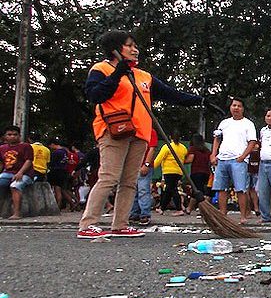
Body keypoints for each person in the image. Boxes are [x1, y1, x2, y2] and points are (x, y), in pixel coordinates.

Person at [78, 30, 202, 239]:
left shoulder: (143, 76)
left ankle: (120, 224)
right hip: (113, 130)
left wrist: (200, 100)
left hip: (140, 133)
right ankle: (88, 224)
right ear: (115, 49)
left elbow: (171, 94)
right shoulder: (101, 69)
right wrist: (119, 73)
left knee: (129, 181)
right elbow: (95, 95)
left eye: (135, 46)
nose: (135, 49)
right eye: (129, 45)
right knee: (108, 177)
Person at [211, 97, 258, 224]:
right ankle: (222, 215)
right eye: (234, 105)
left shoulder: (248, 124)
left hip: (238, 160)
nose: (236, 108)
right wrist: (213, 154)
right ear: (230, 107)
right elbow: (217, 138)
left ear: (243, 109)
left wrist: (243, 156)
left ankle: (243, 216)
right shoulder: (224, 123)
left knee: (241, 189)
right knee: (221, 188)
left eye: (239, 106)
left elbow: (252, 141)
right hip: (222, 159)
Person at [0, 125, 35, 219]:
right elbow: (1, 163)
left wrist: (20, 172)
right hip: (7, 173)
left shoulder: (26, 146)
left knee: (15, 186)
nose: (12, 136)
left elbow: (29, 161)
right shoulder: (2, 148)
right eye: (9, 134)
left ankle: (17, 213)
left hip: (26, 174)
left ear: (19, 136)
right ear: (5, 136)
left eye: (15, 134)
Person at [153, 132, 188, 216]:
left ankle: (179, 209)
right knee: (169, 190)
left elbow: (159, 159)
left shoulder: (167, 147)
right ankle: (161, 208)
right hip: (179, 171)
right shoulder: (183, 148)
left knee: (172, 190)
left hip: (168, 171)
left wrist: (151, 167)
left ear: (170, 137)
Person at [129, 129, 158, 225]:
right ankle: (138, 213)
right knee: (139, 190)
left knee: (141, 190)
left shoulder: (147, 131)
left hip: (139, 165)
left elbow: (152, 148)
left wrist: (146, 164)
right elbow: (152, 148)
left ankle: (142, 214)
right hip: (138, 165)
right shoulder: (148, 130)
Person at [184, 134, 211, 215]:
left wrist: (183, 160)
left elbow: (190, 159)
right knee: (201, 190)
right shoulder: (207, 150)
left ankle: (201, 209)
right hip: (206, 172)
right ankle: (190, 208)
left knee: (197, 191)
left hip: (196, 172)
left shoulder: (193, 149)